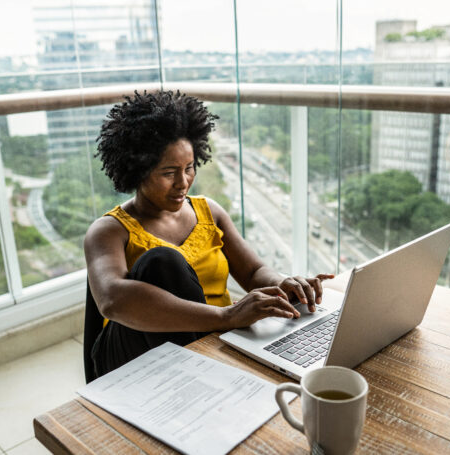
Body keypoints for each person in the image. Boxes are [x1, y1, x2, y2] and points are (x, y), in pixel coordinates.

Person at [84, 90, 333, 378]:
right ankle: (212, 377)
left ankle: (213, 372)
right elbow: (113, 300)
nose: (183, 182)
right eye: (169, 173)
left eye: (189, 168)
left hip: (211, 340)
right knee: (162, 262)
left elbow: (253, 271)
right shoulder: (109, 231)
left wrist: (283, 285)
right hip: (133, 353)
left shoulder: (209, 212)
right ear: (138, 171)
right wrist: (226, 316)